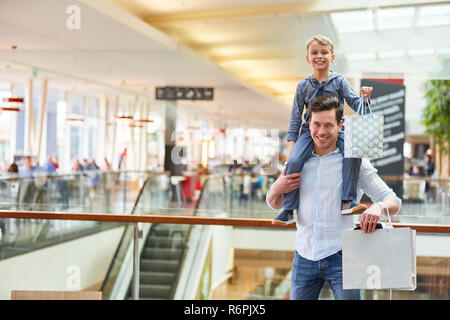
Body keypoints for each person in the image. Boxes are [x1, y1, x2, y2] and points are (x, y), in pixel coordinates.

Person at [266, 95, 401, 300]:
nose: (321, 132)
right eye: (316, 124)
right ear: (309, 124)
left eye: (328, 125)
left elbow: (393, 201)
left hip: (344, 258)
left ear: (340, 125)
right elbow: (274, 203)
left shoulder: (355, 163)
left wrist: (378, 207)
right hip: (304, 256)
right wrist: (277, 186)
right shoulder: (296, 163)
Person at [273, 34, 373, 225]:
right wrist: (291, 149)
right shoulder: (303, 86)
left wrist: (365, 98)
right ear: (308, 58)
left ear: (332, 57)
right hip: (308, 132)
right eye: (314, 53)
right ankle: (288, 209)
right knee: (293, 164)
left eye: (324, 52)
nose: (319, 56)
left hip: (336, 129)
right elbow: (295, 117)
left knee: (353, 154)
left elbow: (355, 104)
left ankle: (347, 201)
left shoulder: (340, 81)